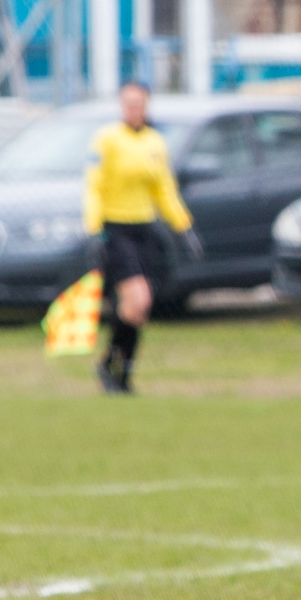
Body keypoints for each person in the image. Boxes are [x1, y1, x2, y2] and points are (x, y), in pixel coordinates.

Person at [84, 81, 194, 394]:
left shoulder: (155, 143)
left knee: (137, 310)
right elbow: (94, 186)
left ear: (146, 105)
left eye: (139, 103)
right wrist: (94, 229)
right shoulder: (107, 140)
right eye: (128, 103)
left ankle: (120, 371)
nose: (134, 109)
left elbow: (164, 190)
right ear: (121, 105)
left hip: (144, 230)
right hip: (116, 229)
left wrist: (184, 226)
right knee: (138, 299)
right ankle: (110, 366)